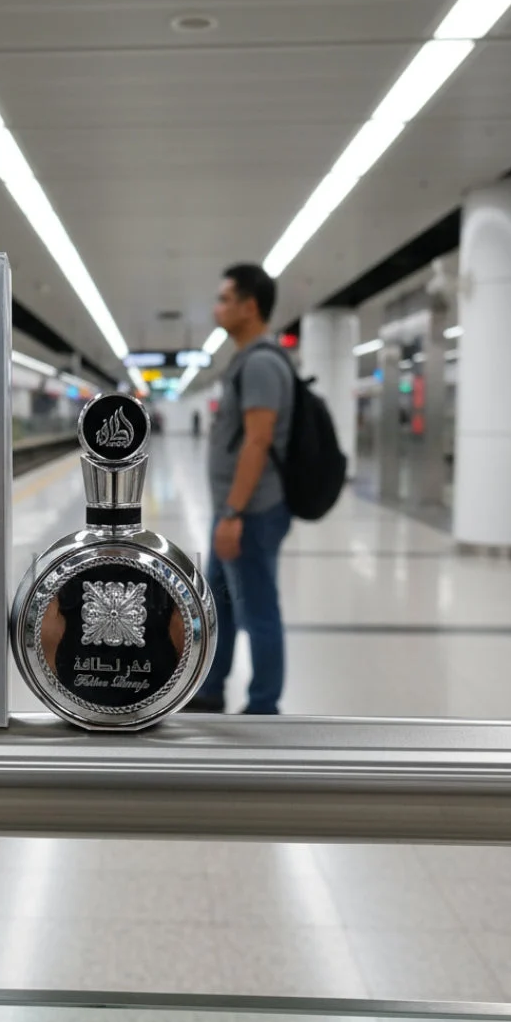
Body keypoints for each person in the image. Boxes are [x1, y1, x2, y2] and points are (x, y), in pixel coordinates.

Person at [190, 263, 294, 715]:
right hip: (232, 509)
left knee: (258, 610)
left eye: (225, 299)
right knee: (222, 603)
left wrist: (233, 513)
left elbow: (258, 439)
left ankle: (264, 706)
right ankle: (212, 688)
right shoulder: (247, 360)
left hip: (249, 511)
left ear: (250, 307)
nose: (217, 308)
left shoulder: (262, 364)